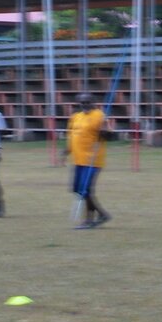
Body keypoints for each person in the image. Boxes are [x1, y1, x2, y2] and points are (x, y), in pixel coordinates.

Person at [65, 95, 115, 229]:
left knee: (85, 189)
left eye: (87, 102)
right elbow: (72, 135)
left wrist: (105, 132)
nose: (85, 104)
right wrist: (66, 151)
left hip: (92, 159)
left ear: (93, 103)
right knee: (77, 189)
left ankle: (89, 220)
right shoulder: (76, 116)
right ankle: (102, 214)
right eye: (82, 102)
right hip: (78, 160)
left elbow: (110, 137)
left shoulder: (100, 116)